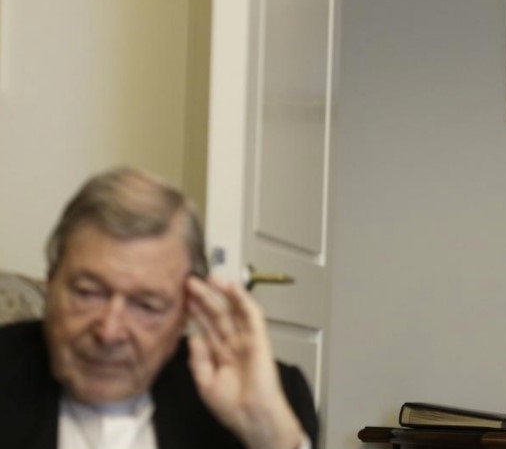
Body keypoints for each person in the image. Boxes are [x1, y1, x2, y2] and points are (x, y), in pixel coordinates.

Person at [0, 166, 318, 449]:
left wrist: (269, 436)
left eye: (147, 306)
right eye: (88, 293)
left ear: (186, 312)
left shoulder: (262, 401)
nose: (109, 332)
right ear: (51, 282)